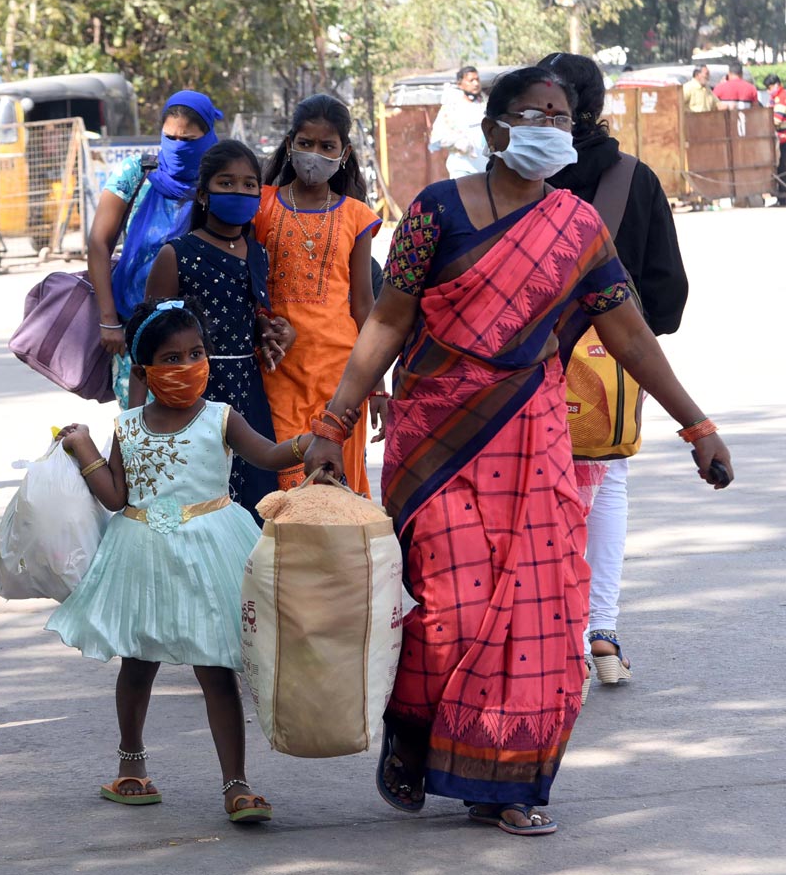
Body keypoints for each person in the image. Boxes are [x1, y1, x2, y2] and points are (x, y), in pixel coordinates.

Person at [304, 67, 733, 836]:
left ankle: (507, 786)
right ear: (495, 128)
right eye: (534, 113)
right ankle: (414, 735)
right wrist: (333, 421)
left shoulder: (577, 227)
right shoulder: (436, 213)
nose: (549, 125)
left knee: (535, 614)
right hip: (436, 439)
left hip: (531, 436)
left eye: (562, 116)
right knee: (447, 610)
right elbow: (387, 322)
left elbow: (629, 332)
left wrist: (697, 427)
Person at [47, 297, 336, 824]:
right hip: (142, 557)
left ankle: (237, 784)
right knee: (138, 662)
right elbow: (115, 496)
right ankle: (130, 766)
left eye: (196, 353)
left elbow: (268, 456)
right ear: (143, 371)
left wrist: (308, 445)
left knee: (217, 669)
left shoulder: (221, 418)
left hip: (211, 554)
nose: (188, 367)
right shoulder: (129, 427)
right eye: (172, 359)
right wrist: (84, 448)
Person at [541, 52, 690, 688]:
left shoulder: (508, 178)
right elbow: (667, 293)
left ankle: (540, 632)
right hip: (613, 360)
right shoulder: (634, 178)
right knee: (608, 481)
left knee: (527, 492)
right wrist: (624, 337)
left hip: (519, 360)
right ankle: (600, 631)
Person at [142, 140, 294, 517]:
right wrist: (136, 424)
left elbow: (249, 310)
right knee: (198, 498)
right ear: (204, 194)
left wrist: (269, 328)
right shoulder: (176, 254)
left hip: (248, 388)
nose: (239, 192)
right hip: (194, 393)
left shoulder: (257, 252)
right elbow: (146, 339)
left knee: (254, 497)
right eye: (226, 183)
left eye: (248, 185)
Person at [255, 93, 383, 494]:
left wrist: (377, 386)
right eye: (306, 144)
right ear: (290, 143)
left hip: (341, 374)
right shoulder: (260, 205)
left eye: (326, 146)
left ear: (343, 152)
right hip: (277, 367)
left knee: (335, 483)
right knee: (287, 482)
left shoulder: (357, 215)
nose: (314, 154)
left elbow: (364, 305)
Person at [86, 91, 223, 408]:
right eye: (169, 137)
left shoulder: (222, 178)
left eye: (187, 139)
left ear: (208, 137)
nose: (176, 147)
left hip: (204, 336)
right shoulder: (138, 172)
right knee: (145, 428)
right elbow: (98, 244)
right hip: (138, 330)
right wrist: (108, 320)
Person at [428, 66, 488, 178]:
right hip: (462, 168)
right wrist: (458, 142)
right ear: (460, 84)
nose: (475, 83)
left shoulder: (486, 105)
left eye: (477, 79)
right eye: (471, 80)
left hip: (485, 168)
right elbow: (438, 137)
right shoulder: (452, 108)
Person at [766, 74, 786, 207]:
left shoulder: (782, 97)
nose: (768, 90)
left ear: (776, 84)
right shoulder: (775, 97)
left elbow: (776, 120)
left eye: (769, 87)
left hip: (784, 138)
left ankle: (782, 199)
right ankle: (780, 197)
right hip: (780, 138)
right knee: (778, 167)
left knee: (781, 167)